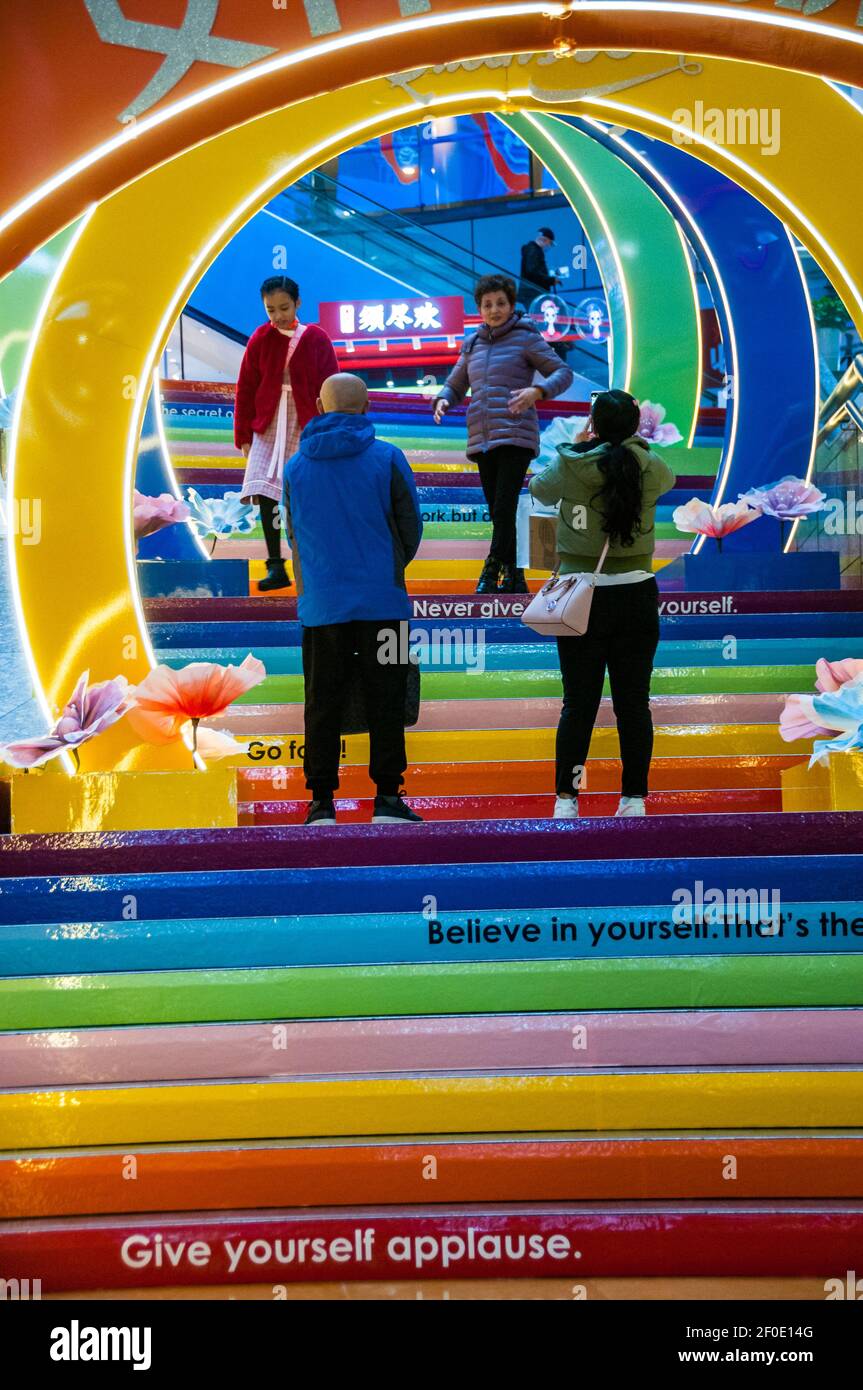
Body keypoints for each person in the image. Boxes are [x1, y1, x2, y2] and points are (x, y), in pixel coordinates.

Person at [283, 372, 423, 827]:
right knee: (388, 698)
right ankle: (387, 797)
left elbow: (294, 535)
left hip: (322, 606)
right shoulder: (388, 457)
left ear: (321, 409)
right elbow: (410, 525)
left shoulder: (295, 467)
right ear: (365, 408)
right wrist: (391, 569)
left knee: (321, 702)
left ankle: (321, 802)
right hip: (385, 602)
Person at [528, 389, 676, 819]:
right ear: (634, 426)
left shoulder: (572, 464)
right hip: (636, 593)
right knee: (634, 703)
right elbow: (667, 481)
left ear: (593, 424)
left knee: (578, 704)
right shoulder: (649, 464)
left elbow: (538, 488)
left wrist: (581, 443)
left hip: (580, 595)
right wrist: (628, 445)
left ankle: (567, 799)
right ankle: (633, 799)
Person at [432, 274, 573, 594]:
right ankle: (514, 576)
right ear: (479, 308)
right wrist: (442, 399)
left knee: (504, 506)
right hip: (482, 438)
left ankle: (491, 567)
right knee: (499, 511)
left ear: (511, 305)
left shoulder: (526, 338)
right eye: (487, 304)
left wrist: (538, 390)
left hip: (515, 433)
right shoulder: (473, 344)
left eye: (500, 303)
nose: (494, 309)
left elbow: (562, 372)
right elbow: (455, 384)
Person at [234, 274, 338, 591]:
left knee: (303, 492)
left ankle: (309, 562)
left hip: (305, 422)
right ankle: (275, 565)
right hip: (267, 422)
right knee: (266, 491)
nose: (278, 315)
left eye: (283, 307)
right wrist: (243, 435)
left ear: (297, 303)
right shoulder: (260, 338)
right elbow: (246, 387)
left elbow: (332, 383)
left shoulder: (317, 338)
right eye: (270, 310)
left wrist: (330, 428)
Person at [517, 227, 559, 311]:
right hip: (533, 292)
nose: (548, 246)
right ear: (545, 240)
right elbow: (532, 271)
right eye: (550, 243)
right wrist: (550, 280)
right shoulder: (534, 251)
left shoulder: (531, 250)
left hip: (531, 292)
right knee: (537, 317)